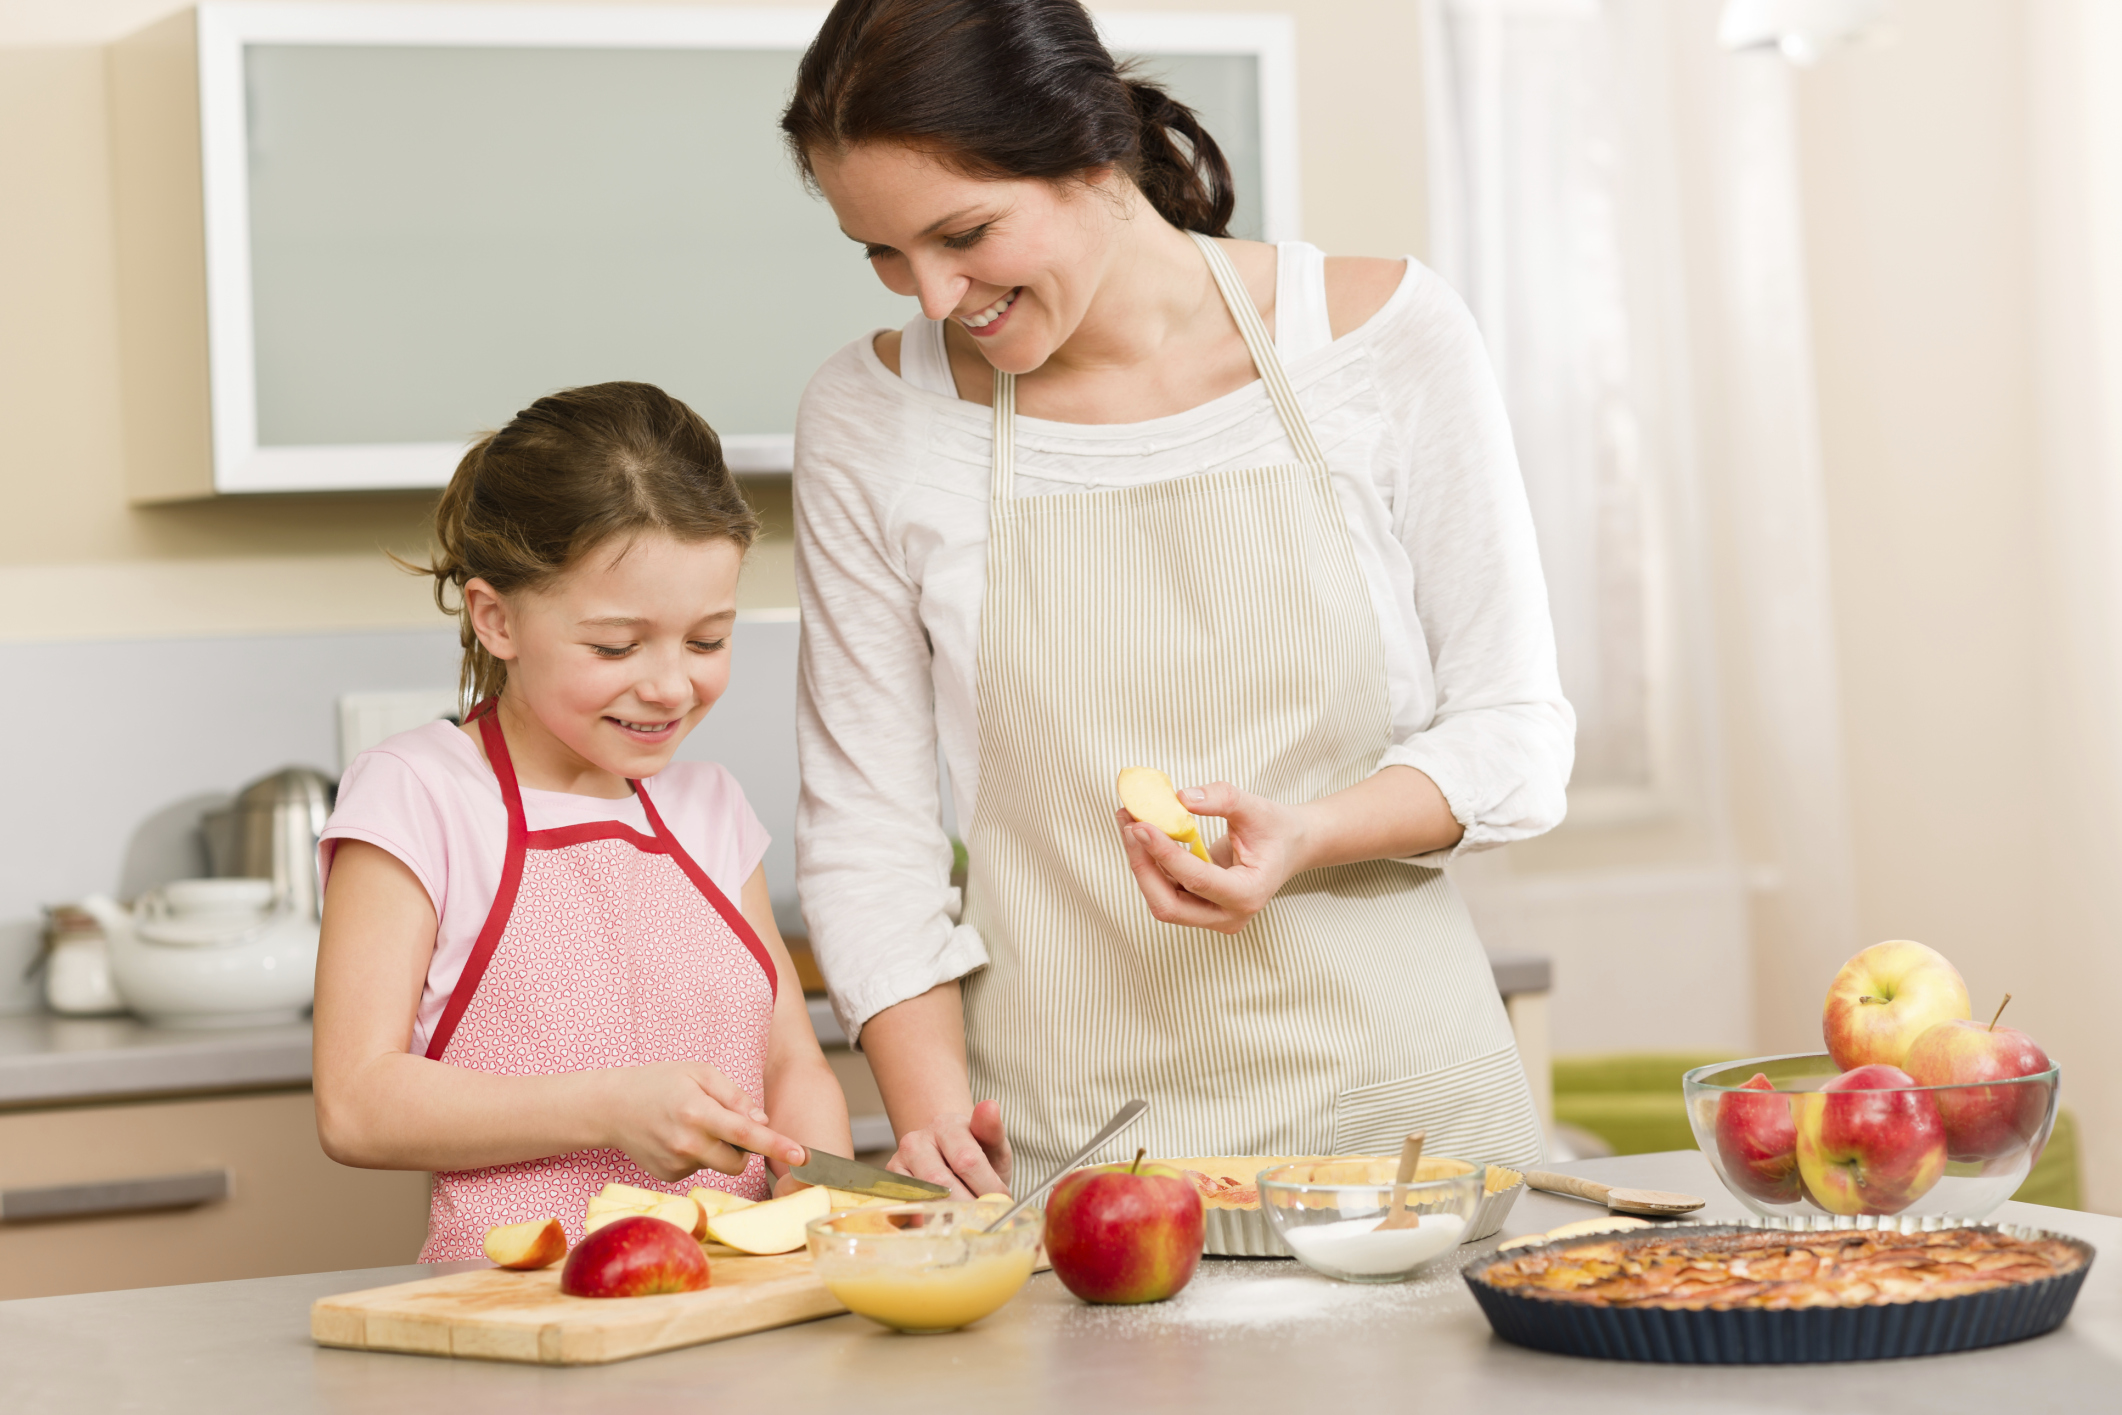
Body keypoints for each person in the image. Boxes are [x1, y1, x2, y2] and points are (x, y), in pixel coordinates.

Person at [784, 0, 1573, 1199]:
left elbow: (1515, 734)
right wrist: (937, 1121)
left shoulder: (1384, 339)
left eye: (965, 233)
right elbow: (866, 834)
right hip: (1077, 1159)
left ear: (1095, 157)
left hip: (1404, 1141)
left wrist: (1308, 832)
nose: (932, 296)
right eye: (885, 253)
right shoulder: (871, 415)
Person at [311, 382, 848, 1260]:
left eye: (707, 640)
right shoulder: (419, 795)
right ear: (498, 619)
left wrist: (812, 1178)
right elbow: (356, 1102)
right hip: (517, 1334)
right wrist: (607, 1109)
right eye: (616, 646)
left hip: (735, 1314)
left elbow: (791, 1062)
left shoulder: (708, 807)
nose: (671, 684)